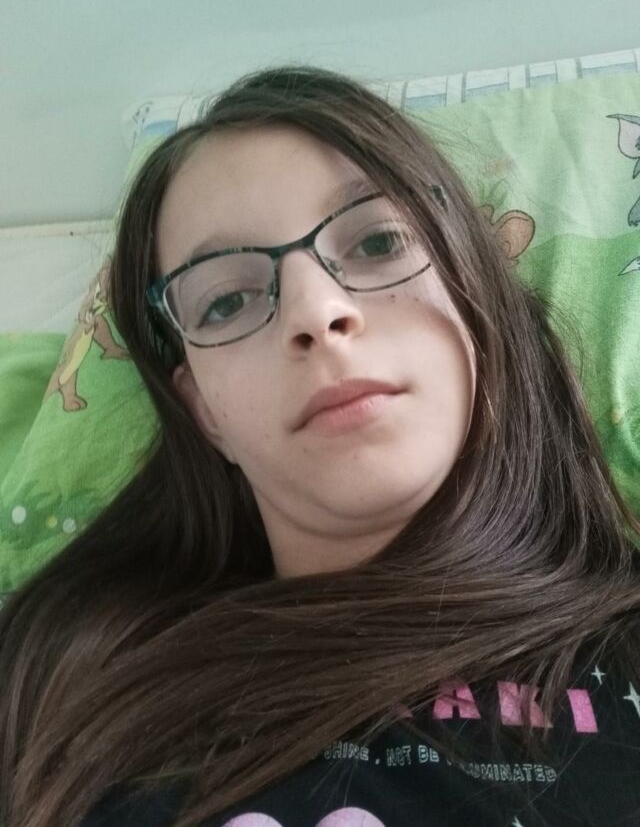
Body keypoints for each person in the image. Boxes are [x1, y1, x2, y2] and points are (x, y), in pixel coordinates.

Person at [0, 64, 639, 827]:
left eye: (377, 240)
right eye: (227, 300)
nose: (315, 311)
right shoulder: (56, 668)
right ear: (203, 410)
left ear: (478, 296)